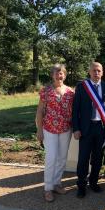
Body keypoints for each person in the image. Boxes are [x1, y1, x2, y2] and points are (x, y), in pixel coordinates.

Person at [72, 62, 105, 198]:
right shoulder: (82, 87)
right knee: (83, 157)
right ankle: (81, 185)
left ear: (102, 72)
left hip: (101, 128)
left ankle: (94, 182)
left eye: (99, 71)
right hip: (86, 128)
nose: (96, 73)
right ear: (89, 72)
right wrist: (76, 128)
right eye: (94, 70)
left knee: (97, 157)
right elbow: (75, 109)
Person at [36, 64, 74, 202]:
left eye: (61, 73)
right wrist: (39, 130)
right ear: (52, 75)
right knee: (51, 158)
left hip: (65, 129)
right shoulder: (45, 91)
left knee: (62, 158)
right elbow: (40, 111)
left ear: (65, 75)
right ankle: (48, 188)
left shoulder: (71, 92)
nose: (59, 75)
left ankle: (57, 183)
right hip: (49, 129)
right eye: (56, 73)